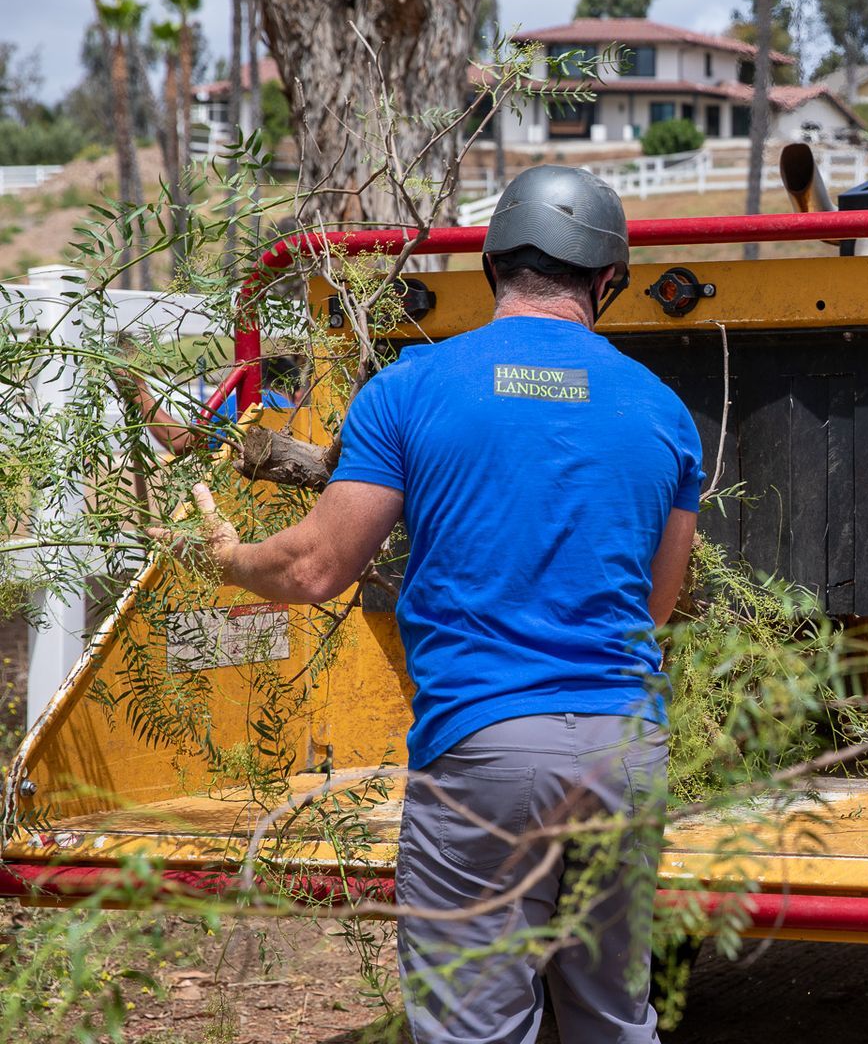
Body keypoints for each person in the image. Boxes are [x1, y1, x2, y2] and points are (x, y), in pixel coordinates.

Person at [173, 165, 703, 1043]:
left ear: (495, 264)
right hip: (623, 747)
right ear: (607, 281)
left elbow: (313, 568)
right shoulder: (663, 411)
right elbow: (658, 604)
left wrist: (230, 559)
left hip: (487, 752)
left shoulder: (414, 388)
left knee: (475, 1026)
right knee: (615, 1017)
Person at [119, 352, 301, 455]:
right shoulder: (300, 418)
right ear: (297, 392)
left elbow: (182, 442)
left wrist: (139, 391)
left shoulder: (247, 403)